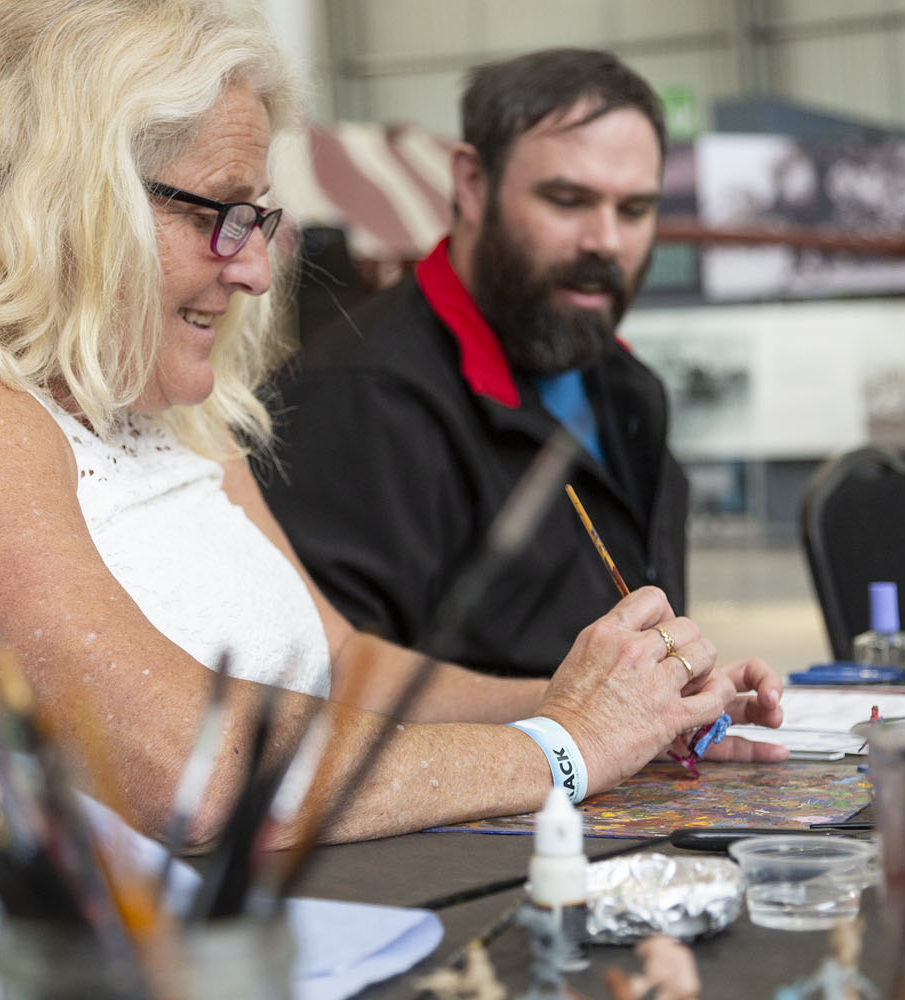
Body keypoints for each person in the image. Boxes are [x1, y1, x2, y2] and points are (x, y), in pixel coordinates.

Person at [0, 1, 785, 970]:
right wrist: (568, 745)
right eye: (222, 213)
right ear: (57, 191)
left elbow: (343, 664)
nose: (252, 267)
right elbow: (180, 767)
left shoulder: (149, 397)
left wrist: (622, 699)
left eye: (262, 218)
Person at [259, 48, 689, 678]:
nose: (605, 240)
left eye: (634, 210)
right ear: (471, 183)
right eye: (567, 200)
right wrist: (583, 724)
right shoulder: (358, 401)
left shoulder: (629, 390)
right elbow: (333, 698)